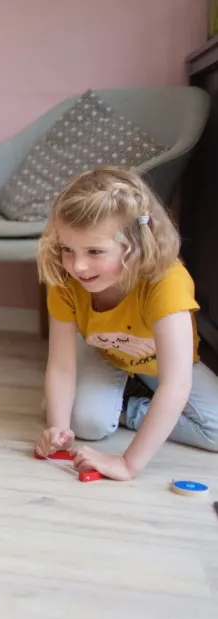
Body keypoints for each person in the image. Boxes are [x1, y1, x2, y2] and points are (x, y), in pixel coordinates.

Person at [35, 167, 218, 480]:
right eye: (68, 249)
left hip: (160, 366)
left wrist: (128, 463)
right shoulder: (65, 279)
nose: (78, 266)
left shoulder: (166, 282)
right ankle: (105, 398)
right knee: (87, 425)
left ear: (135, 245)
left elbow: (176, 383)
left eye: (95, 252)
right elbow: (62, 365)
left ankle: (129, 404)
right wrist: (58, 428)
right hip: (101, 351)